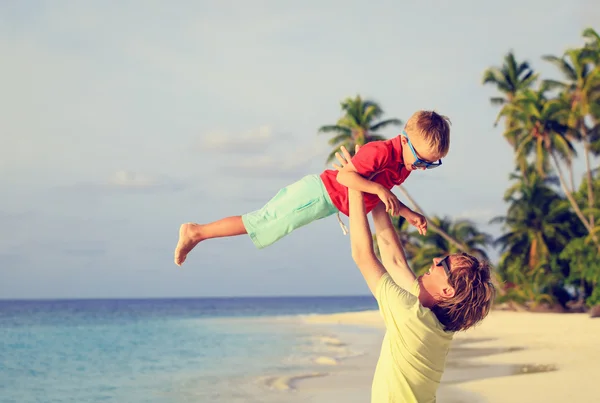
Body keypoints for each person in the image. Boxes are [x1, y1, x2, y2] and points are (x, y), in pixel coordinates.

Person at [174, 110, 451, 266]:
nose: (421, 168)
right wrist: (379, 191)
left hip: (324, 203)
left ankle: (198, 232)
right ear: (404, 140)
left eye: (430, 164)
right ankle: (196, 232)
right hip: (317, 193)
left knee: (266, 224)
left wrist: (408, 214)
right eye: (420, 160)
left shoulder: (404, 165)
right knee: (262, 222)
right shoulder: (380, 151)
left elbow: (386, 196)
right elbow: (346, 178)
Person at [338, 145, 496, 403]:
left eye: (443, 263)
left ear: (447, 291)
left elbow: (363, 256)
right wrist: (371, 179)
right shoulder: (430, 320)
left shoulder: (413, 318)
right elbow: (394, 258)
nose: (435, 259)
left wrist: (355, 182)